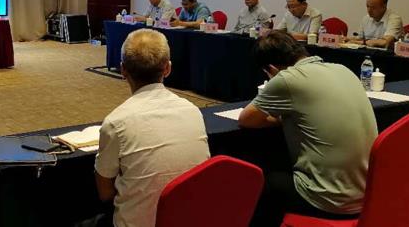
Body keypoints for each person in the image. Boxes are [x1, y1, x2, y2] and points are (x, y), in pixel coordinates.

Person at [239, 31, 377, 227]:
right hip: (366, 194)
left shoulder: (287, 78)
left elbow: (247, 119)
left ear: (271, 69)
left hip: (328, 200)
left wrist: (282, 119)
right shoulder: (343, 69)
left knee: (263, 182)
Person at [93, 29, 209, 227]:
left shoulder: (115, 123)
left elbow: (105, 193)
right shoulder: (192, 111)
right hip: (190, 219)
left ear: (123, 70)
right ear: (168, 69)